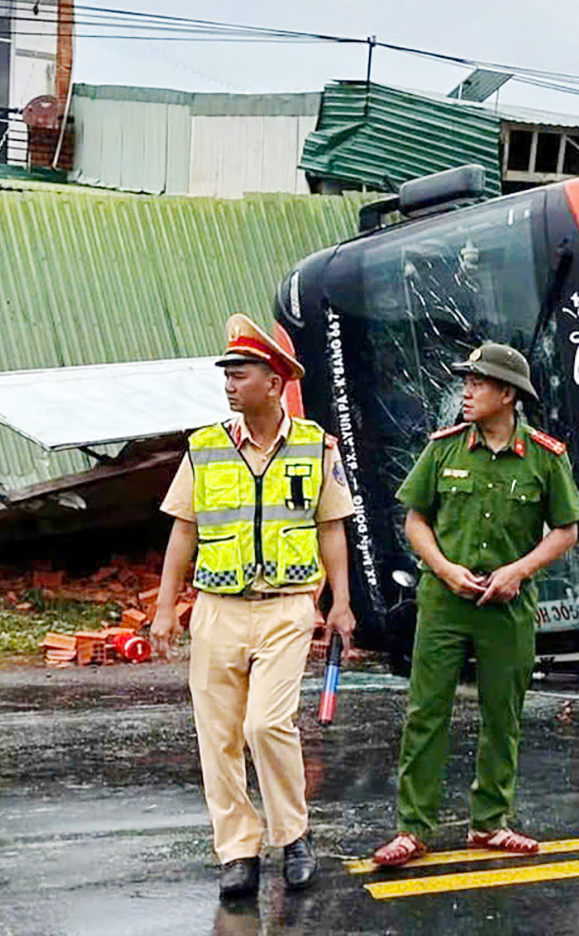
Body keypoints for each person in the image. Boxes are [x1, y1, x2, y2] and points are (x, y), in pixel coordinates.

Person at [151, 315, 357, 901]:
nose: (228, 384)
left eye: (239, 374)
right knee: (216, 734)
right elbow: (183, 533)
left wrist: (340, 603)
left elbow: (332, 529)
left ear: (275, 382)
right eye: (227, 375)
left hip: (288, 605)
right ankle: (237, 850)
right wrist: (167, 607)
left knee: (266, 724)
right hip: (217, 608)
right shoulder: (205, 448)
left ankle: (293, 837)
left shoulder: (317, 447)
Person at [370, 344, 579, 868]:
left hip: (507, 605)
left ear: (507, 394)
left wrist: (519, 571)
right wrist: (443, 568)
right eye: (466, 382)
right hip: (444, 601)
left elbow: (566, 530)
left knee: (502, 714)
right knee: (426, 711)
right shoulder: (444, 449)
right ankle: (412, 829)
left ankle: (491, 823)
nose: (466, 391)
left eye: (478, 383)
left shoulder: (543, 456)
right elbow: (415, 519)